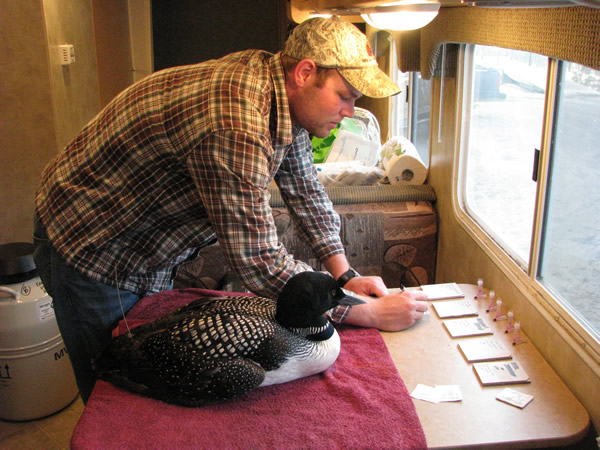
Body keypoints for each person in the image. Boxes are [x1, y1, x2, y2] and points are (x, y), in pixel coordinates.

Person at [33, 16, 428, 403]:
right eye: (345, 97)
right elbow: (257, 259)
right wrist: (366, 314)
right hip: (95, 242)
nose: (348, 112)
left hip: (147, 244)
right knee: (119, 392)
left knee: (164, 372)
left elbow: (305, 188)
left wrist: (346, 278)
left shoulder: (280, 93)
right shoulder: (236, 121)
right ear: (306, 73)